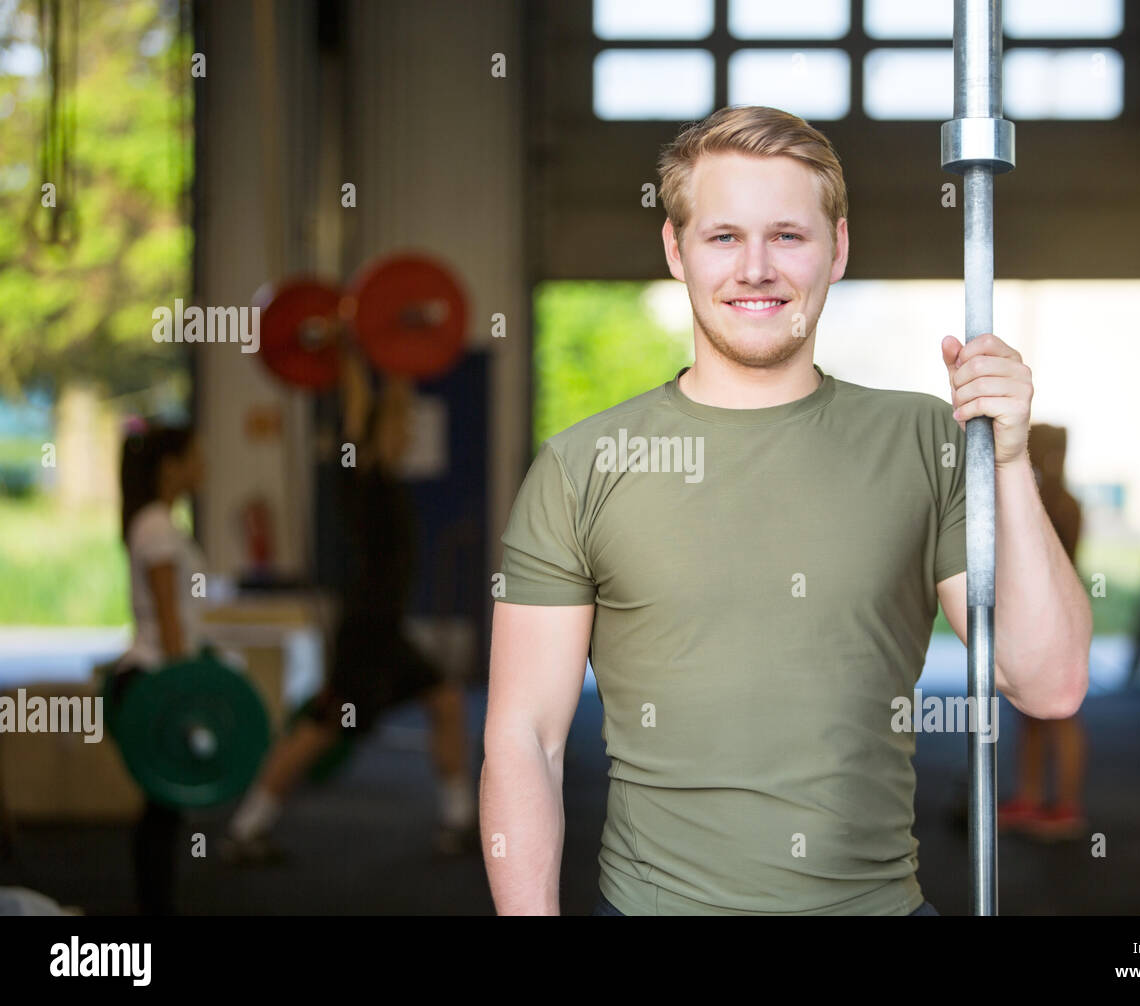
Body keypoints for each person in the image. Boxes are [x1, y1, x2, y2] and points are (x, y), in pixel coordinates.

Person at [482, 105, 1092, 915]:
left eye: (789, 236)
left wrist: (1008, 458)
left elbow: (1047, 682)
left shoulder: (922, 438)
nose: (757, 268)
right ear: (677, 250)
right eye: (724, 236)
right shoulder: (582, 466)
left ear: (837, 250)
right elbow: (525, 738)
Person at [221, 348, 476, 862]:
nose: (406, 435)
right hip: (365, 634)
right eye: (398, 428)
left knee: (446, 702)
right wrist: (351, 351)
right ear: (375, 435)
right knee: (323, 728)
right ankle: (247, 830)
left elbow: (391, 403)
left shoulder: (386, 478)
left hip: (386, 631)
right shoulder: (362, 473)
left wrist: (396, 354)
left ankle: (458, 822)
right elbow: (359, 407)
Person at [110, 421, 207, 915]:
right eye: (196, 454)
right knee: (161, 809)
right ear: (171, 467)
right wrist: (182, 692)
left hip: (155, 676)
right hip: (153, 678)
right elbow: (169, 620)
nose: (204, 463)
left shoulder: (160, 523)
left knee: (164, 809)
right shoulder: (156, 526)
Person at [997, 424, 1090, 840]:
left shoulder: (1058, 503)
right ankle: (1031, 797)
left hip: (1052, 615)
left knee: (1060, 715)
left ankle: (1065, 806)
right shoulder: (1052, 498)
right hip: (1031, 612)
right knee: (1029, 714)